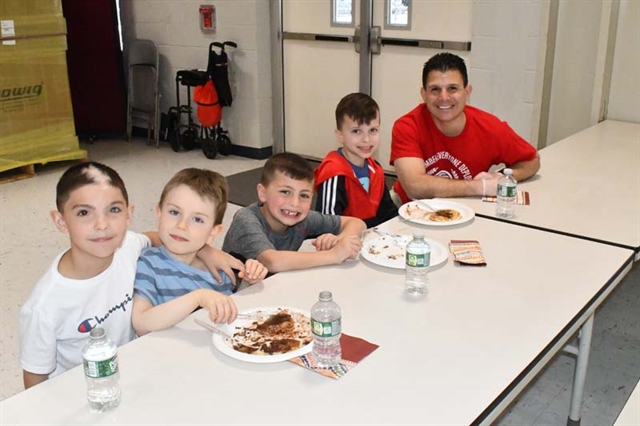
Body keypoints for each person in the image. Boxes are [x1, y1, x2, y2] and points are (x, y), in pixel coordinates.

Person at [19, 162, 242, 389]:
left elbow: (160, 237)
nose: (102, 224)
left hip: (136, 372)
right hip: (86, 392)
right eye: (84, 212)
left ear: (129, 215)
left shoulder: (128, 245)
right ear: (60, 221)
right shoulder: (43, 307)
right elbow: (34, 382)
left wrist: (207, 250)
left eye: (113, 210)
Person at [390, 52, 540, 204]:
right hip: (405, 208)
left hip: (465, 209)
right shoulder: (407, 126)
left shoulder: (489, 127)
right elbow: (414, 187)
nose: (444, 97)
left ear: (467, 92)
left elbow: (531, 160)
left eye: (452, 88)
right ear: (424, 94)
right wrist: (480, 187)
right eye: (435, 89)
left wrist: (503, 177)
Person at [132, 168, 268, 336]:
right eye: (174, 212)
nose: (181, 225)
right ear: (159, 214)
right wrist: (198, 298)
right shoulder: (148, 264)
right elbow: (141, 323)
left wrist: (249, 281)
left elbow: (231, 314)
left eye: (197, 219)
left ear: (213, 232)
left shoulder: (219, 271)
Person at [223, 152, 366, 274]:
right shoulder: (246, 219)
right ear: (263, 193)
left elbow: (357, 223)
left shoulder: (302, 218)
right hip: (232, 297)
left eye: (304, 195)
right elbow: (272, 262)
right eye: (285, 192)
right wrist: (333, 255)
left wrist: (340, 239)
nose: (295, 203)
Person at [314, 92, 398, 228]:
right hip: (341, 243)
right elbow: (327, 226)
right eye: (356, 131)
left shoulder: (375, 169)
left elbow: (388, 213)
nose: (366, 139)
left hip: (374, 241)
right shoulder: (334, 173)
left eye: (373, 130)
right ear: (340, 135)